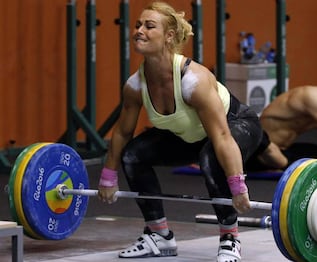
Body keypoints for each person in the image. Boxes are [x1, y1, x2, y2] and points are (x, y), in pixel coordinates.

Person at [97, 2, 285, 261]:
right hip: (191, 135)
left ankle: (230, 237)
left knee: (211, 157)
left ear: (169, 36)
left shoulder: (193, 80)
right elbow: (121, 133)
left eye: (149, 26)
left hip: (237, 125)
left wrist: (237, 186)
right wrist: (108, 176)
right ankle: (159, 235)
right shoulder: (135, 85)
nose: (139, 30)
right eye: (138, 25)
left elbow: (220, 136)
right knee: (133, 155)